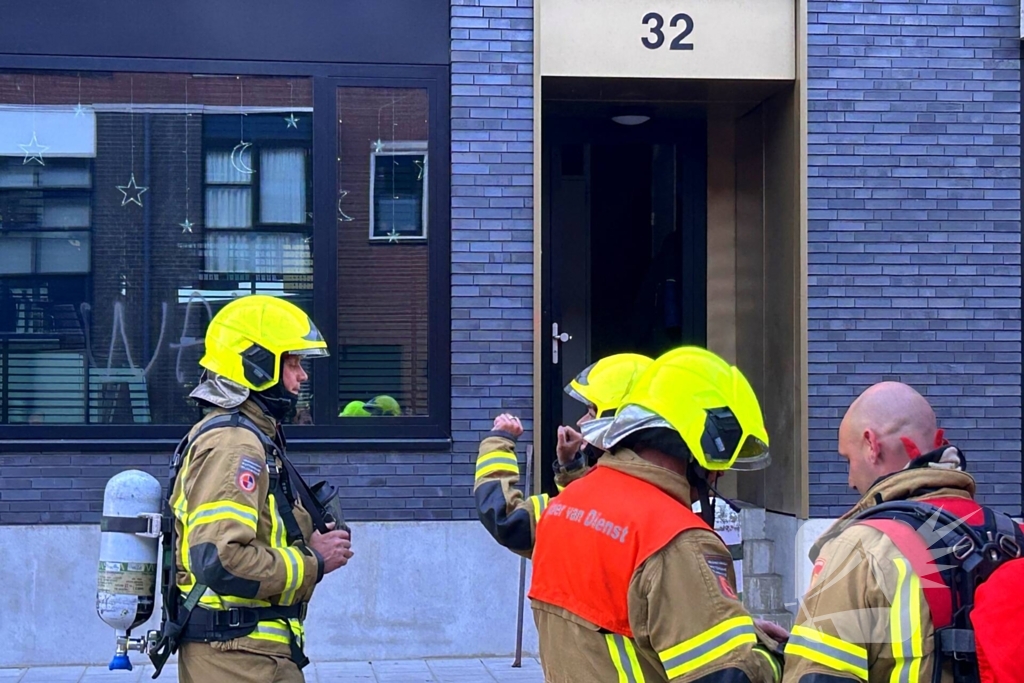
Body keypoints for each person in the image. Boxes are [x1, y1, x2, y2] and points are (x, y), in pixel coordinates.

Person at [528, 346, 785, 682]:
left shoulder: (567, 503)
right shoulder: (677, 541)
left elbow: (625, 625)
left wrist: (724, 622)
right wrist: (770, 654)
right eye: (716, 463)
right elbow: (726, 675)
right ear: (694, 446)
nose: (718, 475)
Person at [166, 295, 353, 683]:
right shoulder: (235, 444)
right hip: (235, 658)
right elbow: (220, 559)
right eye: (292, 362)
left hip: (248, 654)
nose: (301, 375)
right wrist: (312, 561)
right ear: (256, 363)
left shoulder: (252, 438)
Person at [782, 381, 988, 683]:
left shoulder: (858, 549)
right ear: (940, 442)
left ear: (871, 445)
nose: (850, 480)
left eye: (847, 460)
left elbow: (817, 676)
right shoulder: (1010, 536)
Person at [474, 353, 652, 557]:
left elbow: (509, 522)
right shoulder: (651, 487)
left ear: (620, 421)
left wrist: (498, 441)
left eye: (591, 413)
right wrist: (571, 468)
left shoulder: (608, 495)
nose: (581, 422)